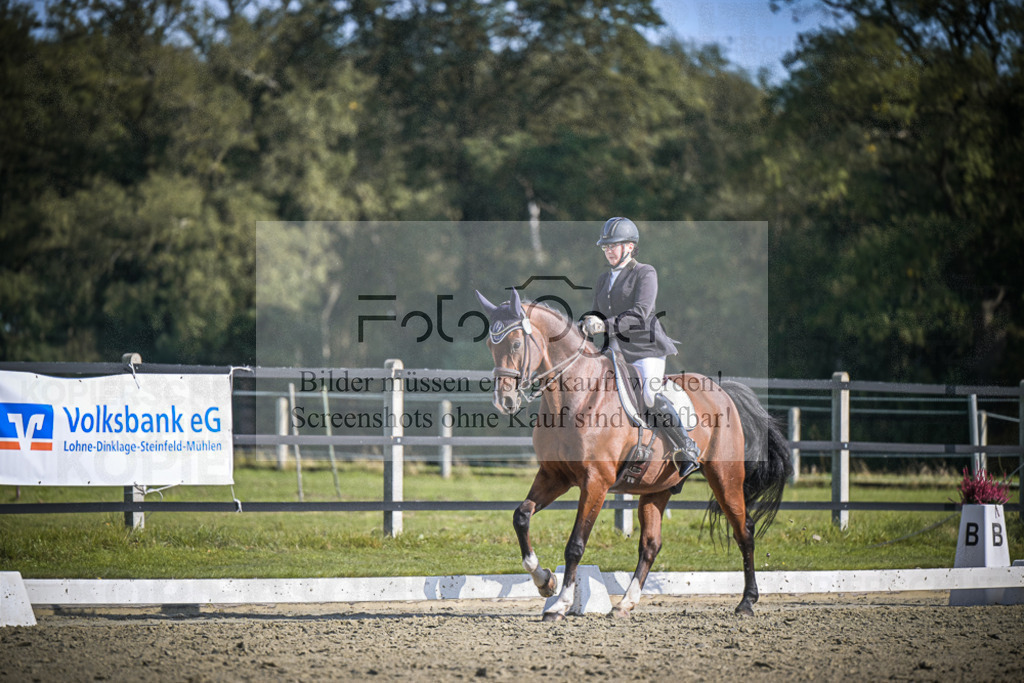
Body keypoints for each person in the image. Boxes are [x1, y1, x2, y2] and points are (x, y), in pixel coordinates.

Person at [580, 217, 700, 477]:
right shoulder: (603, 279)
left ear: (630, 247)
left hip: (645, 349)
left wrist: (604, 326)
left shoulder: (645, 273)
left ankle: (686, 447)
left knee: (648, 395)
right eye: (605, 247)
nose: (609, 251)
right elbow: (597, 314)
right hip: (613, 350)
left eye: (614, 246)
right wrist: (585, 324)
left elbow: (640, 314)